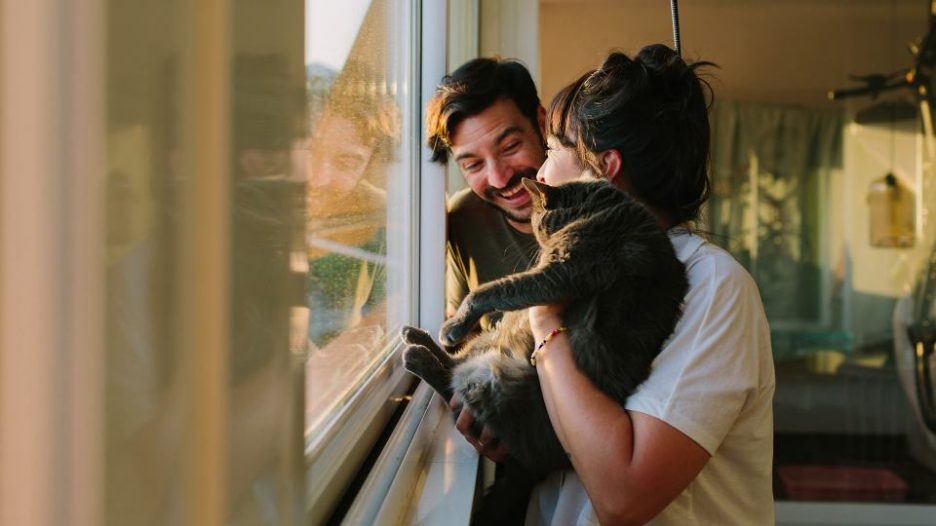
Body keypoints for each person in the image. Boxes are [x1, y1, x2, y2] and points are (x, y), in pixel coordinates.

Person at [524, 45, 775, 525]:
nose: (539, 171)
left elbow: (624, 498)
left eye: (555, 149)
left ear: (604, 168)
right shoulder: (593, 275)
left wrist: (543, 318)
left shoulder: (713, 287)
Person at [426, 57, 545, 332]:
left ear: (541, 124)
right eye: (473, 165)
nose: (499, 178)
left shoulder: (602, 201)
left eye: (510, 147)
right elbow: (466, 334)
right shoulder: (464, 218)